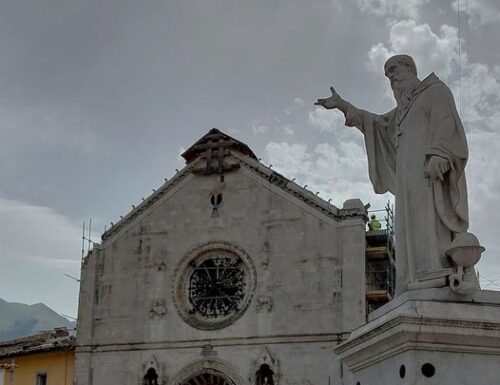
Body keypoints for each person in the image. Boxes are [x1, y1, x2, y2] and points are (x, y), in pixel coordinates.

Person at [315, 54, 469, 295]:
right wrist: (343, 105)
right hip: (406, 183)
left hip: (428, 176)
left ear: (410, 68)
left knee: (428, 222)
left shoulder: (434, 91)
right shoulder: (402, 112)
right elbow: (374, 124)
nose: (391, 77)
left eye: (394, 70)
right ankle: (412, 280)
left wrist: (439, 154)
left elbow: (446, 122)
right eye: (387, 75)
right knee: (407, 229)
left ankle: (434, 273)